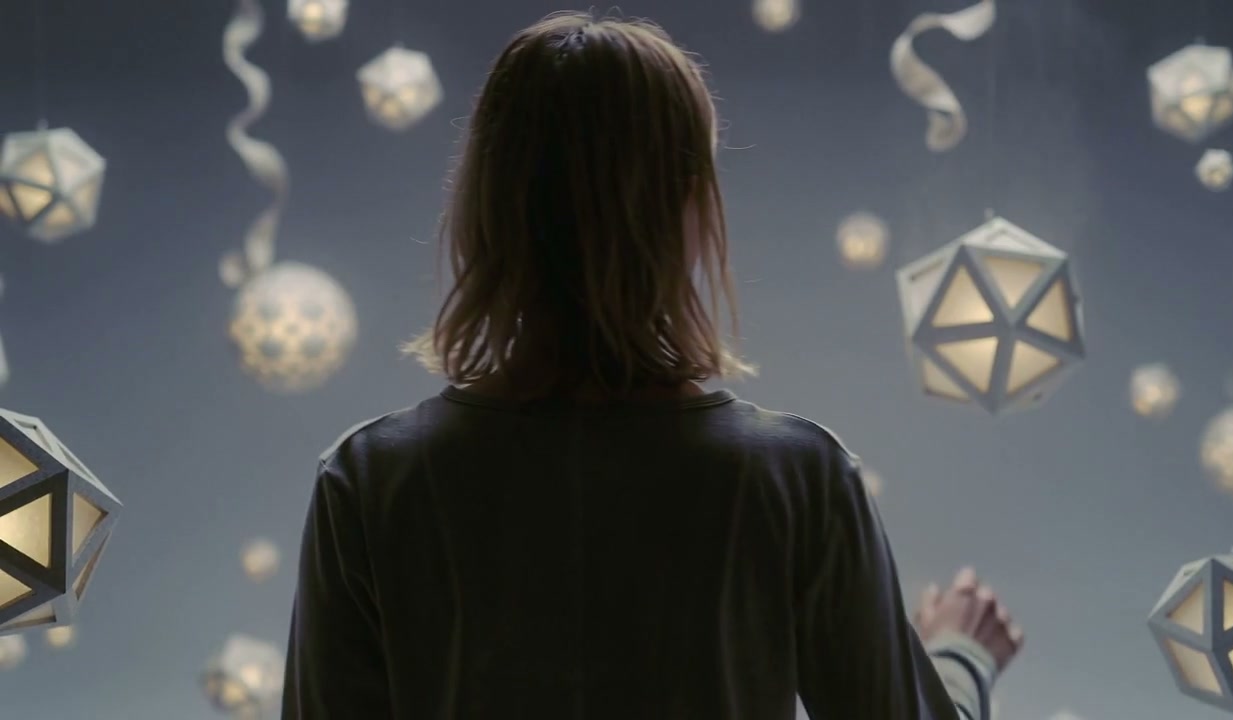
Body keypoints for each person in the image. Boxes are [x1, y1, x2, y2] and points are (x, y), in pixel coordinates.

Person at [283, 10, 1023, 720]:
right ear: (691, 213)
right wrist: (961, 654)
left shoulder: (370, 482)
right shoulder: (793, 480)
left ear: (486, 208)